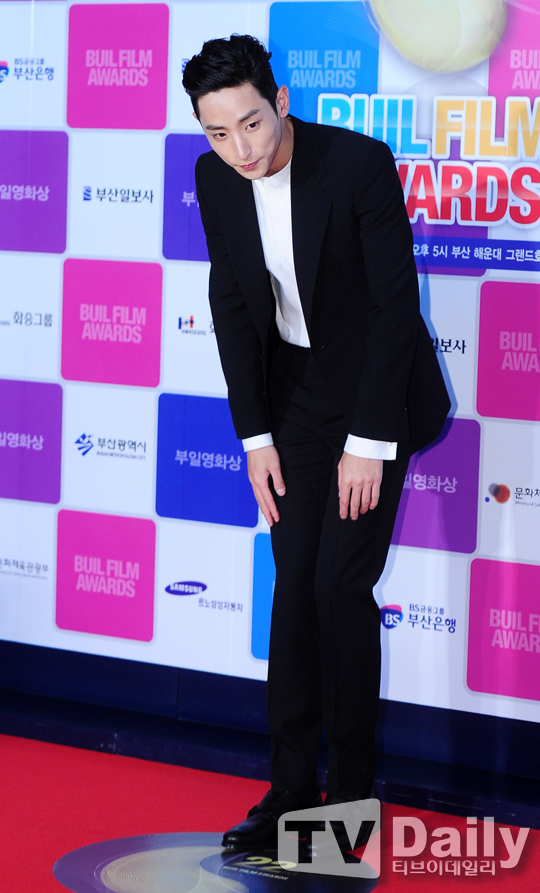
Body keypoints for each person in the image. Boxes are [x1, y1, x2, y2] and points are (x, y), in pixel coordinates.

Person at [182, 35, 450, 849]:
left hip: (374, 397)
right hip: (293, 403)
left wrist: (368, 440)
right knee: (293, 588)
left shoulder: (358, 165)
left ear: (281, 101)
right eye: (218, 133)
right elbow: (232, 305)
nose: (240, 150)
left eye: (251, 124)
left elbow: (394, 309)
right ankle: (290, 790)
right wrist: (255, 436)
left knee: (338, 586)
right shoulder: (215, 180)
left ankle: (351, 800)